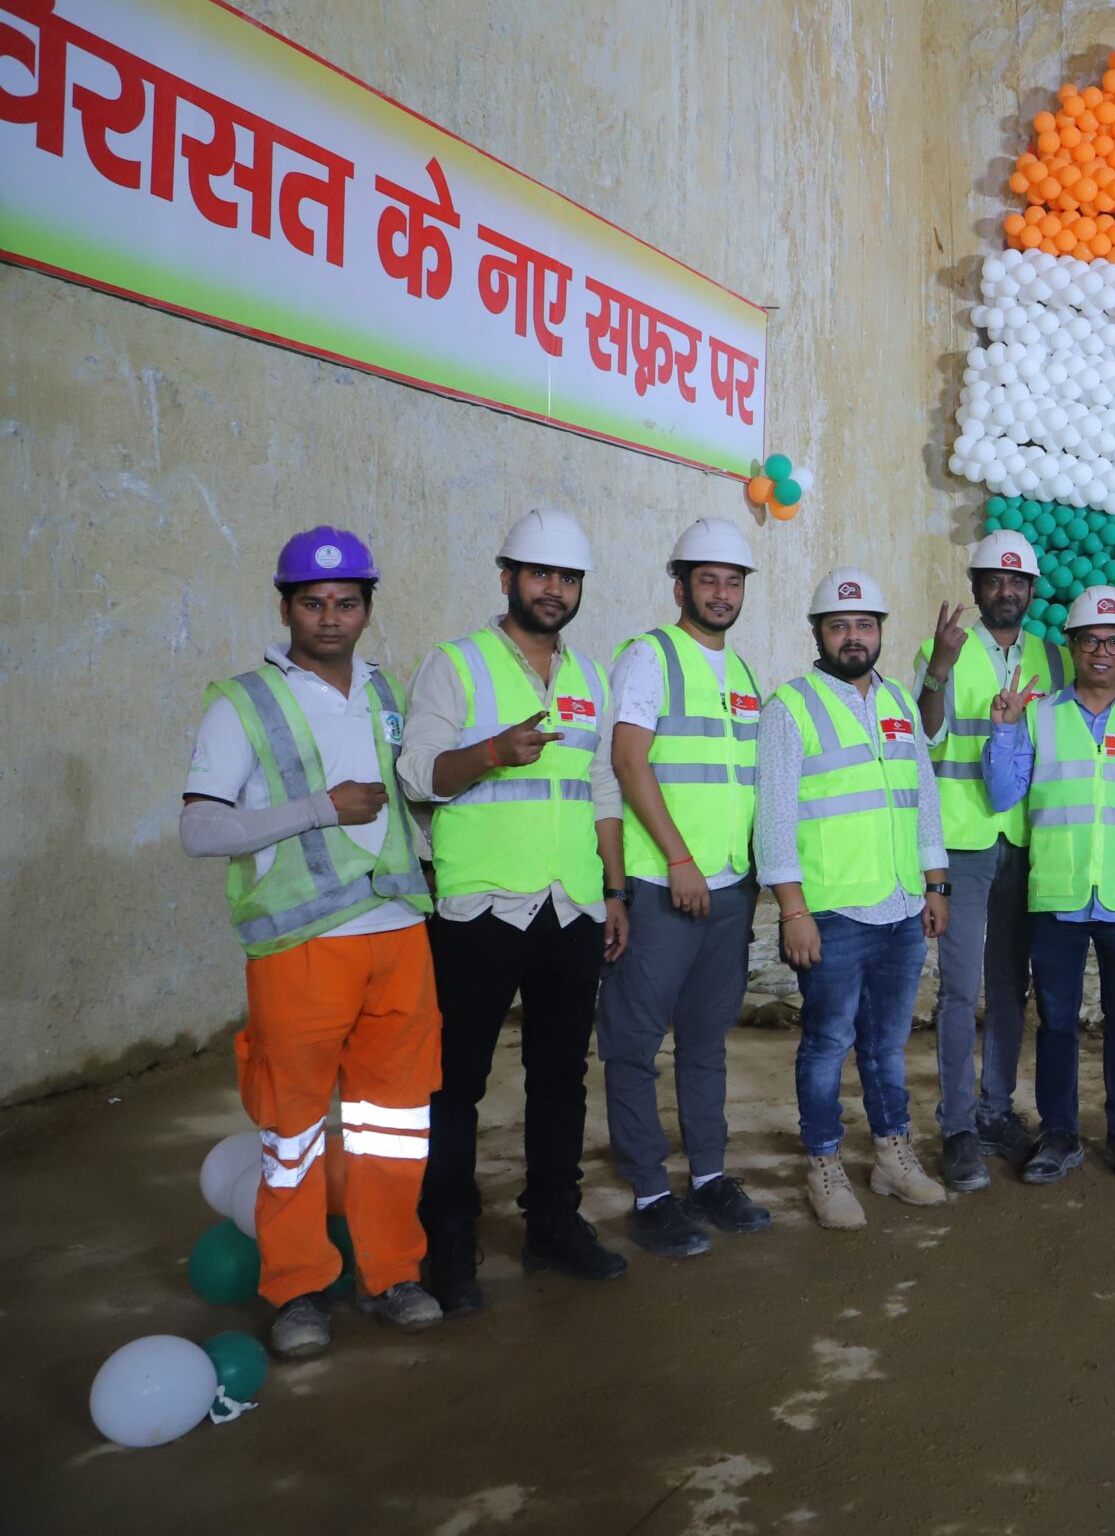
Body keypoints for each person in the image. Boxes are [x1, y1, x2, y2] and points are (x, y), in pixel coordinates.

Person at [183, 527, 441, 1357]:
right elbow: (198, 827)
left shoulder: (384, 691)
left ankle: (392, 1271)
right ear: (285, 604)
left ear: (367, 606)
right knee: (291, 1130)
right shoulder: (243, 701)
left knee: (392, 1124)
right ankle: (297, 1288)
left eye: (346, 602)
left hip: (399, 934)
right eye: (312, 602)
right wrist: (321, 807)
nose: (330, 617)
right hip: (300, 945)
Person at [398, 509, 630, 1315]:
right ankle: (449, 1239)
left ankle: (553, 1224)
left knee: (560, 1076)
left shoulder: (590, 678)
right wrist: (493, 749)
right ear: (507, 578)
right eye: (540, 574)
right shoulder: (455, 666)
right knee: (455, 1082)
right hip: (479, 909)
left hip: (569, 906)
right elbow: (418, 774)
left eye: (567, 578)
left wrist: (615, 887)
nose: (554, 590)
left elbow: (602, 788)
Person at [599, 518, 771, 1258]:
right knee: (633, 1045)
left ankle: (708, 1177)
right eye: (708, 580)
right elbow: (629, 762)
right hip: (664, 885)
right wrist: (677, 859)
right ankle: (650, 1193)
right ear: (681, 586)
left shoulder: (743, 674)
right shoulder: (650, 656)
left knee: (706, 1043)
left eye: (733, 582)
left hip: (730, 890)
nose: (722, 593)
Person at [762, 568, 952, 1227]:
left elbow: (923, 798)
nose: (853, 636)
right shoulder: (790, 707)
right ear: (818, 632)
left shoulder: (899, 700)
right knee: (825, 1044)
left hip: (901, 908)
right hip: (833, 913)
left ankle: (892, 1155)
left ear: (879, 633)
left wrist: (934, 883)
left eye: (864, 625)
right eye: (839, 625)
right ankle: (823, 1164)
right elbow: (775, 817)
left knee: (886, 1045)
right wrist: (793, 909)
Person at [986, 585, 1115, 1185]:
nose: (1103, 651)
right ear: (1072, 645)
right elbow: (1004, 794)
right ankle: (1059, 1134)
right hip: (1058, 894)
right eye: (1091, 639)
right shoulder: (1039, 715)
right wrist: (1005, 731)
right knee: (1057, 1021)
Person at [915, 529, 1064, 1192]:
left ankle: (996, 1109)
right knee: (959, 988)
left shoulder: (1056, 660)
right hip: (963, 842)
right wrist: (939, 670)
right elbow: (925, 732)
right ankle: (957, 1129)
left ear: (1031, 592)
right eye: (994, 580)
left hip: (1027, 842)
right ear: (978, 588)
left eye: (1017, 581)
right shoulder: (940, 649)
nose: (1006, 590)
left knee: (1010, 987)